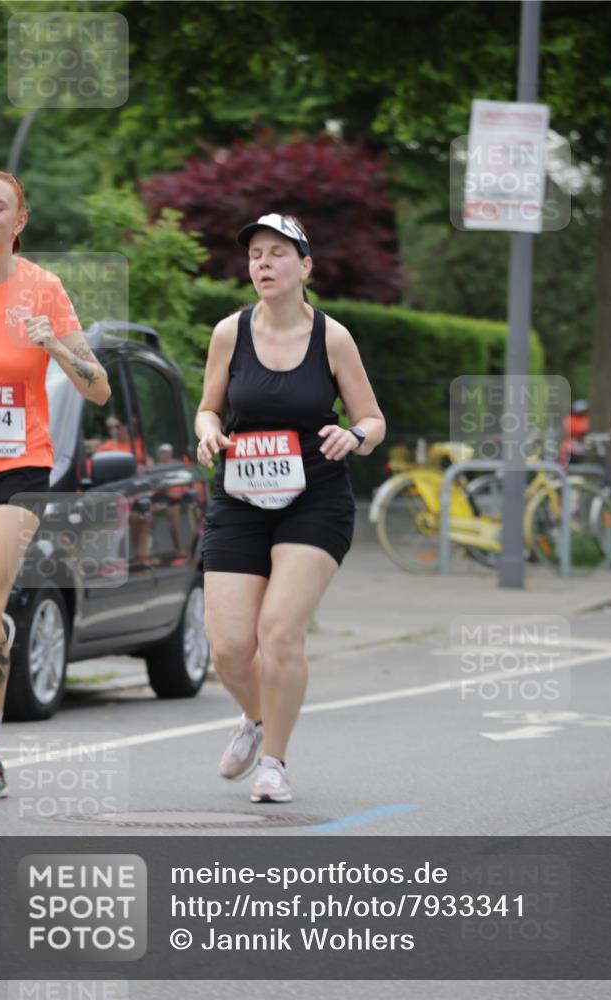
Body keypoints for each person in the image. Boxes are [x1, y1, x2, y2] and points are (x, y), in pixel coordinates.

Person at [195, 213, 385, 803]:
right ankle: (256, 718)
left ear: (305, 266)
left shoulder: (333, 337)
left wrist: (353, 437)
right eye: (255, 254)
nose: (263, 264)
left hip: (316, 498)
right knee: (227, 646)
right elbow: (208, 408)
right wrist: (206, 433)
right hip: (241, 496)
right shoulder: (230, 332)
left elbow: (373, 420)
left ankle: (273, 762)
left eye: (277, 253)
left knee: (279, 630)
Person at [0, 170, 111, 801]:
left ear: (19, 221)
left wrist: (54, 344)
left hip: (18, 465)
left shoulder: (43, 288)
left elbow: (97, 386)